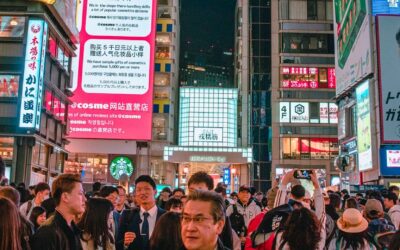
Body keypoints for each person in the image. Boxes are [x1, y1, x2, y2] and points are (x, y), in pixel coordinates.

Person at [31, 174, 86, 250]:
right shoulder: (47, 234)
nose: (84, 199)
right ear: (65, 197)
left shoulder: (73, 229)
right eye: (80, 194)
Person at [188, 171, 240, 250]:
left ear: (210, 191)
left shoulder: (220, 216)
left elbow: (227, 242)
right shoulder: (181, 215)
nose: (195, 194)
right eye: (191, 191)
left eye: (199, 190)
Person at [117, 175, 166, 250]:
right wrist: (125, 244)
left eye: (147, 189)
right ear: (135, 194)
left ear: (155, 192)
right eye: (139, 190)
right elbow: (118, 244)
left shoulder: (165, 216)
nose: (142, 192)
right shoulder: (127, 215)